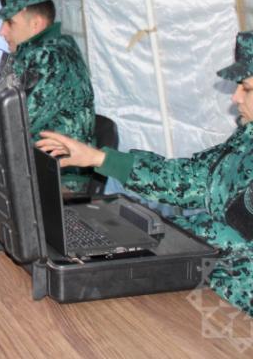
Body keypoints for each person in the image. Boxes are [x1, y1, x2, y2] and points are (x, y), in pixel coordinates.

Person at [36, 30, 253, 317]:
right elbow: (186, 179)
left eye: (246, 88)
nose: (236, 96)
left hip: (229, 309)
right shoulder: (246, 138)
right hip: (201, 282)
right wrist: (98, 158)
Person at [0, 0, 95, 192]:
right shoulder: (38, 51)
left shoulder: (51, 58)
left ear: (36, 24)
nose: (1, 31)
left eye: (9, 22)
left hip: (59, 181)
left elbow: (13, 122)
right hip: (34, 170)